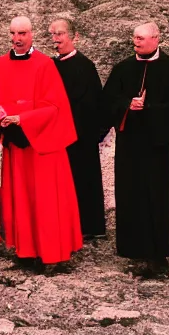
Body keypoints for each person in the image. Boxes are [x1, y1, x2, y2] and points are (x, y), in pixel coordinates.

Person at [0, 16, 83, 269]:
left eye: (23, 33)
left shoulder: (46, 65)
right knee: (20, 200)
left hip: (42, 145)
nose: (17, 39)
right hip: (16, 145)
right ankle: (25, 252)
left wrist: (23, 118)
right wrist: (0, 117)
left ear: (32, 35)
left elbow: (55, 106)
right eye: (13, 33)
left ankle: (52, 254)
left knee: (46, 201)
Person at [100, 22, 169, 277]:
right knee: (130, 195)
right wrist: (127, 104)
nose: (137, 42)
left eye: (142, 38)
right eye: (135, 38)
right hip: (129, 144)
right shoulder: (123, 68)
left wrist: (150, 109)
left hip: (157, 144)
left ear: (157, 39)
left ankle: (158, 256)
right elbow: (106, 102)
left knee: (157, 198)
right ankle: (135, 252)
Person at [49, 17, 109, 240]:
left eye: (60, 34)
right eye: (53, 35)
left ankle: (89, 227)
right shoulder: (51, 65)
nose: (56, 39)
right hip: (58, 135)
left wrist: (86, 134)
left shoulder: (85, 66)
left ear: (75, 37)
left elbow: (94, 104)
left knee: (85, 181)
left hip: (81, 136)